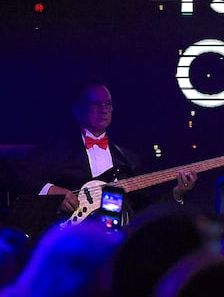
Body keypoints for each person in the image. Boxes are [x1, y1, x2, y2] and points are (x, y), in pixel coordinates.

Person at [26, 82, 196, 223]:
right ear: (77, 111)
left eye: (108, 104)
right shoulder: (58, 149)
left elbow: (144, 208)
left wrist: (178, 193)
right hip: (70, 239)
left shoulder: (128, 159)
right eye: (96, 104)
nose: (104, 109)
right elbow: (20, 176)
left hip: (113, 241)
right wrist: (53, 192)